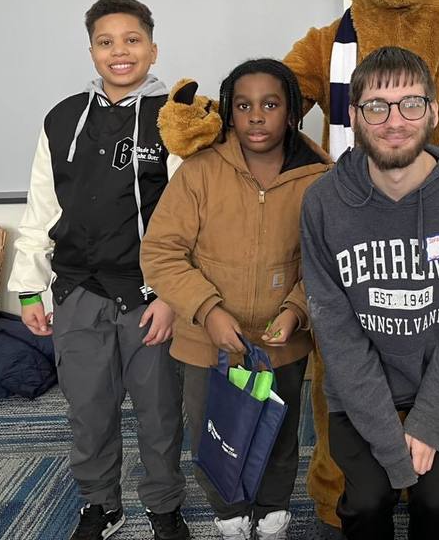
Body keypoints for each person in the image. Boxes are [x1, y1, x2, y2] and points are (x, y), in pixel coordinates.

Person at [300, 46, 439, 540]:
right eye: (377, 106)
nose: (395, 120)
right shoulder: (324, 202)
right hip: (358, 392)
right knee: (367, 504)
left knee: (438, 504)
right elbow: (337, 332)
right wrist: (394, 450)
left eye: (411, 104)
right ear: (352, 116)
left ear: (434, 111)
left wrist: (431, 421)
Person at [8, 0, 188, 540]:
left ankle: (163, 506)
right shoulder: (63, 119)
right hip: (78, 291)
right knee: (88, 411)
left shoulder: (176, 120)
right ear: (91, 51)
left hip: (149, 297)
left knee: (159, 414)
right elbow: (42, 207)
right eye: (106, 42)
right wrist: (30, 288)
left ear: (153, 49)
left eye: (132, 40)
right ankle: (101, 505)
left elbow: (191, 216)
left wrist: (173, 295)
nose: (119, 52)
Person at [141, 59, 330, 540]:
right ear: (229, 113)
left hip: (279, 342)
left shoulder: (319, 178)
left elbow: (328, 262)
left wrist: (296, 309)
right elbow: (161, 253)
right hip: (208, 344)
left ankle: (272, 512)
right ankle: (229, 514)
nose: (256, 117)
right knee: (215, 432)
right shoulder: (199, 172)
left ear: (291, 112)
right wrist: (207, 310)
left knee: (277, 433)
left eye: (270, 104)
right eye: (243, 106)